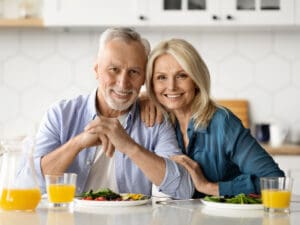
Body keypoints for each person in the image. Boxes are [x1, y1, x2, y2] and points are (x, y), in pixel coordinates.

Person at [33, 27, 193, 199]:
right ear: (96, 70)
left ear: (144, 79)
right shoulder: (61, 115)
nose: (123, 83)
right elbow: (30, 184)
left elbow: (183, 190)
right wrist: (77, 143)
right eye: (114, 69)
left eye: (134, 72)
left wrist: (130, 147)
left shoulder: (155, 120)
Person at [145, 38, 284, 198]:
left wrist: (209, 187)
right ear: (152, 84)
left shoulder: (222, 123)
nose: (171, 86)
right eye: (161, 77)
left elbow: (275, 181)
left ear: (196, 80)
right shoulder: (159, 122)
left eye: (182, 75)